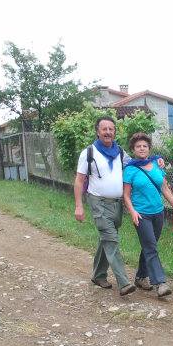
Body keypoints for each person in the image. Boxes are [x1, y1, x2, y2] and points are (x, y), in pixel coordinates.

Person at [73, 116, 136, 296]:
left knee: (106, 239)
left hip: (117, 205)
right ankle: (124, 282)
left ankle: (98, 275)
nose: (108, 132)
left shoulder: (120, 152)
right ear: (98, 131)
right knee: (111, 239)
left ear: (115, 132)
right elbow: (79, 181)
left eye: (111, 129)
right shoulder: (89, 153)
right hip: (98, 203)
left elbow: (136, 165)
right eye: (104, 129)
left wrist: (156, 160)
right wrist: (79, 206)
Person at [123, 132, 173, 297]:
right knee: (151, 247)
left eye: (145, 146)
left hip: (158, 213)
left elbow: (164, 188)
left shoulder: (156, 164)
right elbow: (126, 195)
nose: (142, 148)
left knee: (149, 245)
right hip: (141, 215)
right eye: (138, 146)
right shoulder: (130, 169)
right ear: (133, 149)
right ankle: (160, 283)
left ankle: (141, 277)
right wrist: (132, 211)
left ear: (149, 148)